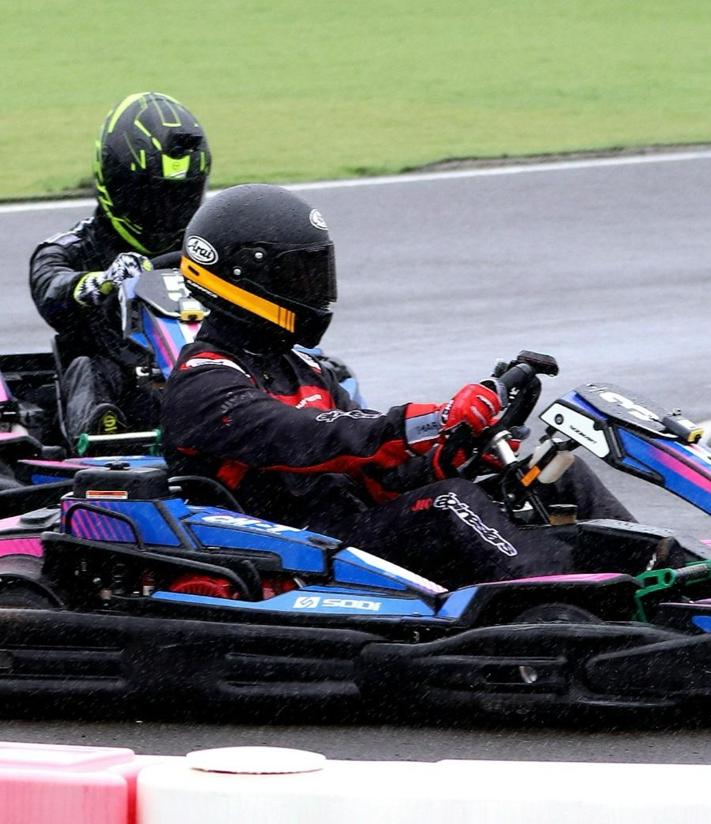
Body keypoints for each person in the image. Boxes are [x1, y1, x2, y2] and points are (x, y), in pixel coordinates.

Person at [161, 184, 640, 590]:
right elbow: (312, 437)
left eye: (314, 272)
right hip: (300, 550)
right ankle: (558, 605)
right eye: (296, 274)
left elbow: (375, 470)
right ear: (245, 278)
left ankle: (663, 577)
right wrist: (431, 419)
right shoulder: (203, 383)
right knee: (451, 502)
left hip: (356, 530)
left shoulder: (306, 369)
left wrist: (451, 449)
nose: (312, 289)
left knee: (552, 472)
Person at [29, 91, 211, 440]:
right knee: (89, 367)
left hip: (205, 380)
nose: (166, 210)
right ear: (115, 181)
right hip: (123, 398)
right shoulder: (70, 249)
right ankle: (102, 441)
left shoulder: (211, 248)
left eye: (179, 196)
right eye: (153, 196)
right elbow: (52, 288)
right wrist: (101, 282)